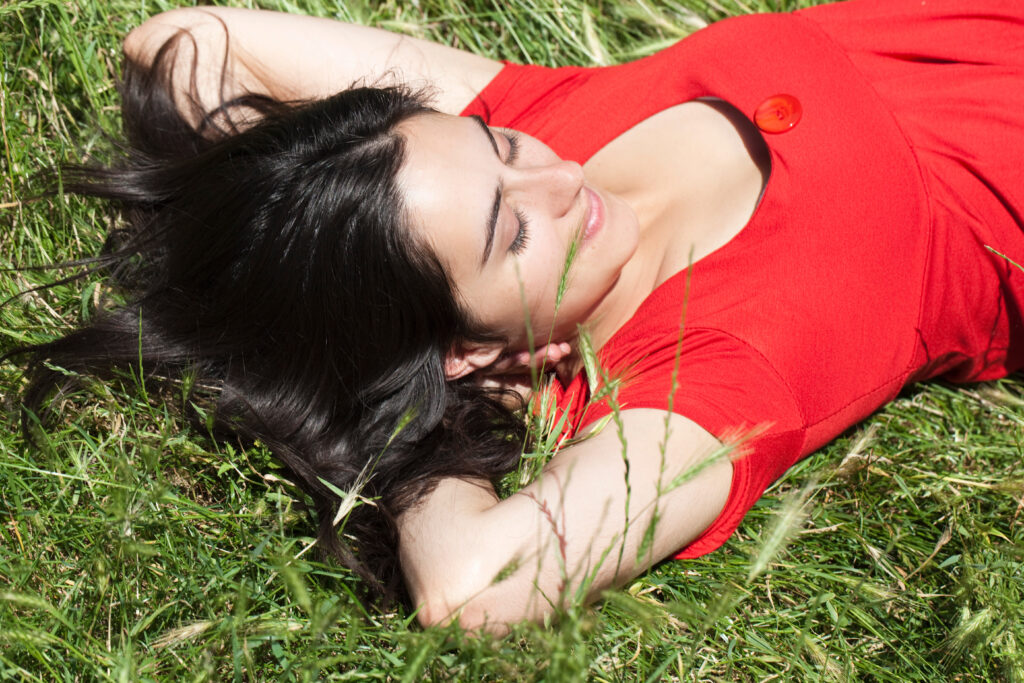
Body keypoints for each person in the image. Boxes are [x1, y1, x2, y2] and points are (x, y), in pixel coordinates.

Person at [11, 0, 1024, 634]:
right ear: (470, 346)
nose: (553, 181)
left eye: (493, 149)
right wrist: (401, 420)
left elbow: (185, 41)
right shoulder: (713, 366)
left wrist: (310, 218)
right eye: (507, 232)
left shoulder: (540, 126)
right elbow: (474, 588)